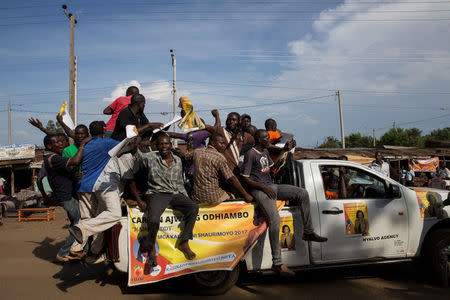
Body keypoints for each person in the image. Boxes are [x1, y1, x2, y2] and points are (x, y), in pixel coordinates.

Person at [241, 129, 327, 276]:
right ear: (258, 140)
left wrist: (284, 151)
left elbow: (271, 167)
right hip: (259, 190)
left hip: (271, 186)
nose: (268, 139)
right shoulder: (251, 154)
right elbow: (245, 178)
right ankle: (277, 263)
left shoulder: (265, 152)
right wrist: (262, 187)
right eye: (265, 137)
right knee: (274, 219)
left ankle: (308, 232)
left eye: (268, 137)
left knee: (302, 194)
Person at [68, 121, 138, 263]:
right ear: (104, 131)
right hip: (99, 184)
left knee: (97, 220)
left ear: (89, 133)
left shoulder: (86, 145)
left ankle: (81, 249)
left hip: (85, 186)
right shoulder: (107, 143)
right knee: (111, 215)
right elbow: (125, 146)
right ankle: (88, 243)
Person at [131, 134, 199, 271]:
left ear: (171, 145)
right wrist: (136, 142)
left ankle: (184, 242)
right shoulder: (151, 157)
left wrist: (185, 198)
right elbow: (137, 156)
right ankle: (151, 250)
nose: (163, 147)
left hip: (174, 193)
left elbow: (179, 183)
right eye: (161, 144)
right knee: (154, 219)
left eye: (166, 144)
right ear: (156, 146)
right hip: (157, 194)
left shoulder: (178, 160)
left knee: (193, 207)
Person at [43, 133, 90, 262]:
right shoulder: (53, 158)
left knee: (78, 222)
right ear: (49, 146)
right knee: (80, 223)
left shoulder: (54, 158)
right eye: (56, 142)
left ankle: (81, 250)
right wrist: (82, 145)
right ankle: (64, 252)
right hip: (67, 197)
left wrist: (74, 175)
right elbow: (75, 160)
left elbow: (67, 173)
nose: (61, 143)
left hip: (67, 196)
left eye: (62, 141)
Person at [184, 133, 254, 205]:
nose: (224, 146)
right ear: (213, 143)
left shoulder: (197, 152)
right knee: (233, 195)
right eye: (221, 143)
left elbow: (184, 156)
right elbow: (231, 179)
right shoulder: (219, 157)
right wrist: (245, 194)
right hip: (213, 197)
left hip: (197, 197)